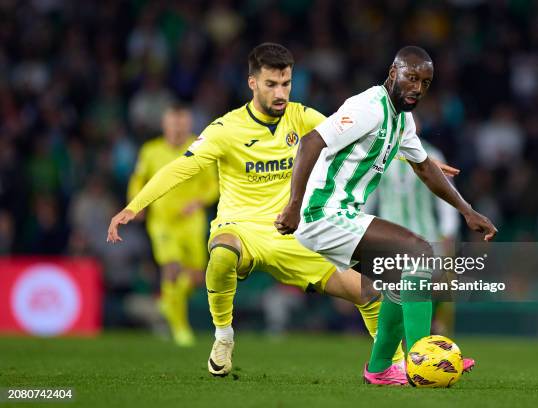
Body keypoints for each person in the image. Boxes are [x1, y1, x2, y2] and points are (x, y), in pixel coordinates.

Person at [109, 43, 450, 376]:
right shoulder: (225, 129)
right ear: (252, 83)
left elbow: (361, 135)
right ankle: (223, 335)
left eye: (286, 83)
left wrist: (419, 158)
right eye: (271, 84)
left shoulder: (300, 117)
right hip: (241, 227)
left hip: (292, 232)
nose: (280, 93)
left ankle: (398, 364)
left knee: (367, 292)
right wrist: (133, 206)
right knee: (222, 254)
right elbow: (180, 168)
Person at [275, 46, 497, 385]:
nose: (418, 88)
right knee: (420, 251)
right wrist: (293, 205)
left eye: (425, 83)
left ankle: (379, 370)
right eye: (411, 78)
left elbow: (424, 167)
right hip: (321, 212)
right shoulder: (368, 107)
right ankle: (426, 358)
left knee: (398, 283)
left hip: (342, 214)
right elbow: (309, 142)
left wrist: (466, 210)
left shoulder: (403, 121)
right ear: (393, 74)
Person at [127, 104, 219, 346]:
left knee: (197, 276)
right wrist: (136, 204)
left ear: (188, 125)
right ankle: (180, 329)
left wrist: (198, 202)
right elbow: (138, 179)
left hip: (191, 222)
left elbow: (214, 185)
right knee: (172, 268)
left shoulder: (200, 148)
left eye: (182, 124)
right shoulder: (151, 151)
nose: (177, 129)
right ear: (164, 125)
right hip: (162, 222)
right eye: (173, 124)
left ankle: (169, 302)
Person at [371, 140, 460, 335]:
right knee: (396, 293)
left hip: (426, 234)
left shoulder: (432, 153)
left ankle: (433, 337)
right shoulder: (378, 153)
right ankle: (408, 345)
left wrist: (447, 231)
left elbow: (446, 193)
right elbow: (368, 195)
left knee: (431, 288)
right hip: (390, 236)